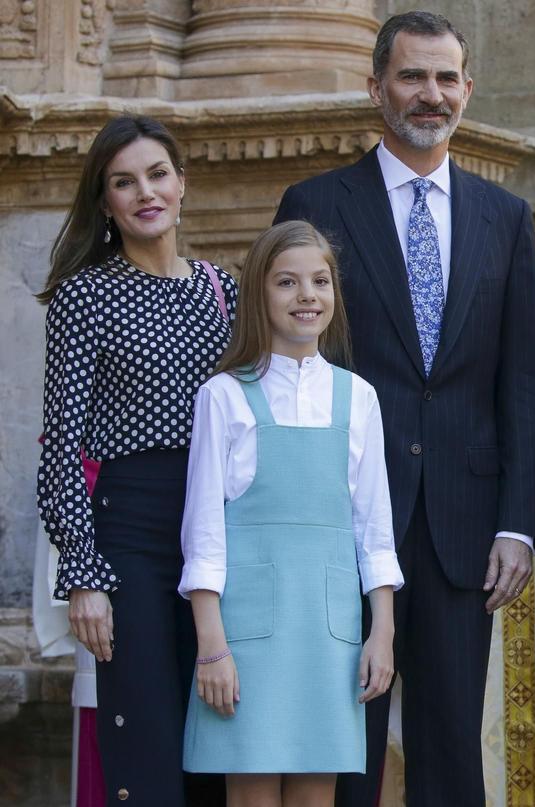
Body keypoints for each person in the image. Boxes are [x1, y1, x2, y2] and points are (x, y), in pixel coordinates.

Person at [273, 11, 535, 805]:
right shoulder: (316, 201)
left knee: (451, 743)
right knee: (343, 739)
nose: (430, 95)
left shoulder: (506, 217)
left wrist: (516, 523)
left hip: (465, 525)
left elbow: (522, 382)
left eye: (445, 78)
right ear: (376, 88)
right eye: (411, 76)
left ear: (467, 89)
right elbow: (291, 359)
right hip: (341, 515)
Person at [36, 114, 236, 806]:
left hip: (222, 529)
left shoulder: (224, 291)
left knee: (223, 734)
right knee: (147, 742)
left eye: (157, 174)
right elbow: (61, 443)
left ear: (182, 183)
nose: (145, 192)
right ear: (105, 202)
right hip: (133, 534)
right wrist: (83, 575)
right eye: (124, 182)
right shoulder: (85, 296)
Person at [177, 221, 404, 805]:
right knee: (250, 792)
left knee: (315, 793)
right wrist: (213, 647)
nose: (307, 295)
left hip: (330, 636)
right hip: (245, 639)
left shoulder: (358, 397)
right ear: (259, 294)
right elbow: (203, 535)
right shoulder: (223, 396)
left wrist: (382, 631)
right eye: (287, 282)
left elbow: (374, 529)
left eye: (320, 281)